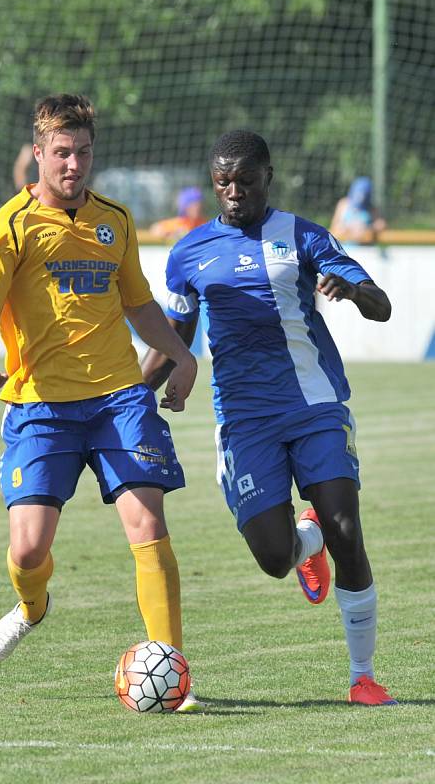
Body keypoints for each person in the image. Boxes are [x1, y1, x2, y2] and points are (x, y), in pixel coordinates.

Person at [0, 93, 203, 712]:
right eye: (61, 153)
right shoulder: (8, 227)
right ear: (38, 154)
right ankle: (32, 607)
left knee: (148, 527)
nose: (73, 164)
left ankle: (172, 677)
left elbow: (139, 305)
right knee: (28, 550)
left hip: (120, 397)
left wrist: (182, 355)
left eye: (83, 152)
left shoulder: (114, 220)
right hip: (40, 405)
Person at [142, 129, 397, 706]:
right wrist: (137, 394)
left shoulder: (305, 236)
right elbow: (175, 336)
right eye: (223, 183)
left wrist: (353, 291)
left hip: (314, 406)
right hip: (244, 420)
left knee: (348, 533)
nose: (234, 193)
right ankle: (306, 545)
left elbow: (382, 305)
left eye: (246, 181)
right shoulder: (189, 252)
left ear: (268, 178)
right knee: (275, 558)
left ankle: (363, 676)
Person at [329, 176, 387, 244]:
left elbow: (382, 225)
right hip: (345, 247)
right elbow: (333, 228)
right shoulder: (343, 204)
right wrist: (348, 229)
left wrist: (368, 228)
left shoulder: (371, 209)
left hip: (364, 249)